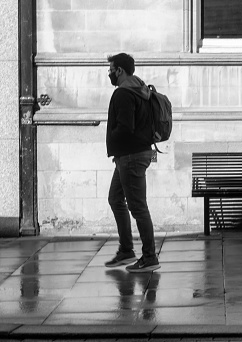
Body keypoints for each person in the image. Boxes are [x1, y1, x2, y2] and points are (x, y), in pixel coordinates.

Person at [104, 53, 160, 272]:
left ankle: (149, 257)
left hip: (130, 157)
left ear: (119, 70)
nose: (109, 73)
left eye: (110, 69)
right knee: (115, 198)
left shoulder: (123, 94)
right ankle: (127, 250)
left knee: (138, 207)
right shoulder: (141, 90)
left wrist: (114, 143)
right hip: (132, 156)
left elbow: (125, 127)